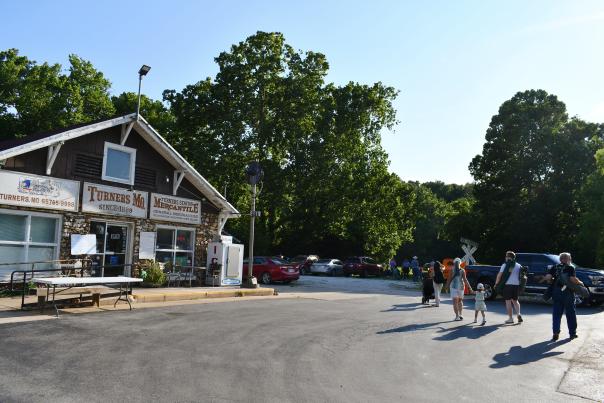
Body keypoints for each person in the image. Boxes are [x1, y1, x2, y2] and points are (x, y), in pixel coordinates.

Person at [541, 252, 583, 341]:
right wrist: (580, 283)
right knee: (570, 313)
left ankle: (555, 333)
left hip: (556, 292)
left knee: (556, 314)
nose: (570, 260)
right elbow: (572, 279)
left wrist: (549, 279)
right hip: (568, 292)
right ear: (567, 259)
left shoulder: (555, 267)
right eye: (570, 259)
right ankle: (572, 334)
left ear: (560, 259)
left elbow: (548, 277)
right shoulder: (570, 267)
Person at [495, 251, 523, 324]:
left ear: (508, 257)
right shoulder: (519, 265)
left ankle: (510, 318)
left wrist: (496, 284)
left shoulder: (505, 265)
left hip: (508, 285)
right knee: (515, 301)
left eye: (506, 256)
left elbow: (499, 275)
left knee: (508, 302)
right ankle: (518, 314)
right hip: (516, 285)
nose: (505, 258)